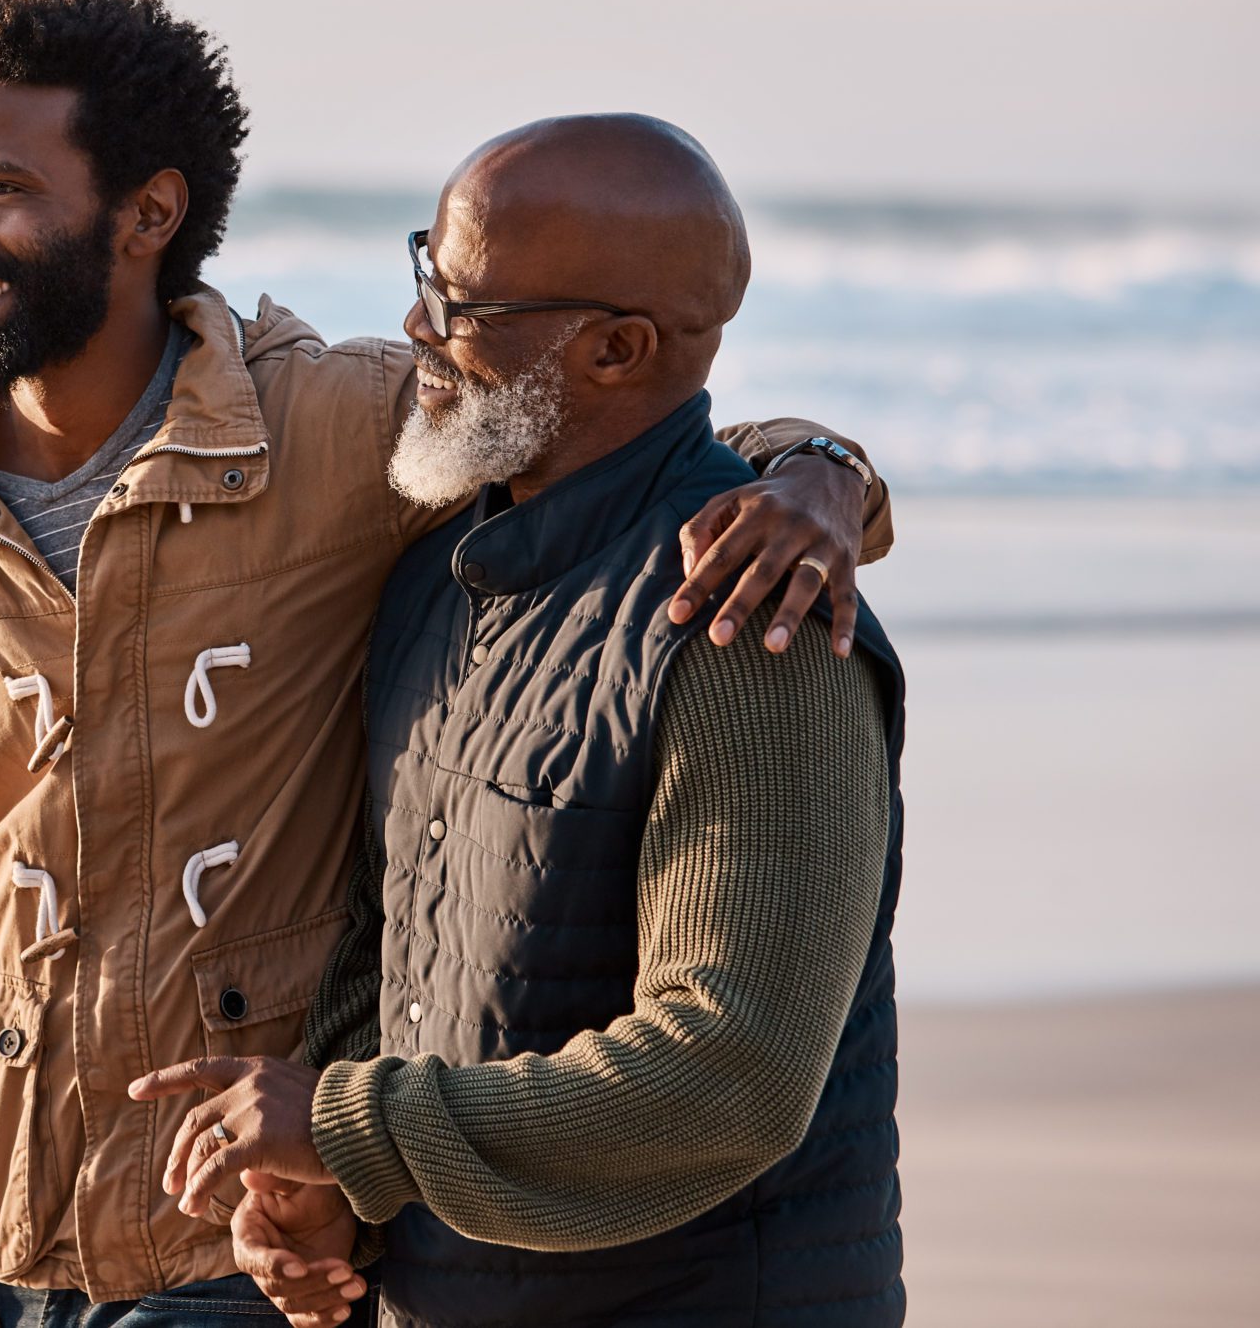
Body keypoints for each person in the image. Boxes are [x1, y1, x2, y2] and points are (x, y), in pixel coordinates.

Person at [0, 0, 892, 1327]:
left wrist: (822, 474)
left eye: (2, 188)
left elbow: (641, 434)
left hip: (228, 1245)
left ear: (148, 213)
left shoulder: (346, 433)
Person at [129, 115, 906, 1328]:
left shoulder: (752, 632)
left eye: (459, 301)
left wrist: (348, 1126)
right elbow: (391, 945)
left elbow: (729, 1072)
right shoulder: (440, 575)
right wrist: (337, 1188)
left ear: (614, 347)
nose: (416, 329)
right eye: (422, 273)